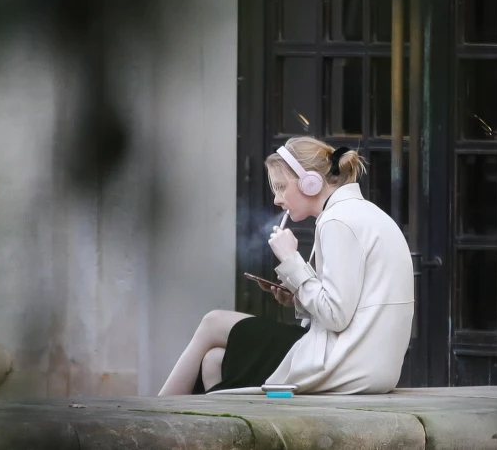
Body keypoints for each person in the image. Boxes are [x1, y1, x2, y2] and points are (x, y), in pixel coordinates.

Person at [158, 137, 414, 396]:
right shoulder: (359, 213)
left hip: (345, 364)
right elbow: (348, 304)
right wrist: (297, 295)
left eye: (281, 187)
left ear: (310, 182)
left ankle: (159, 409)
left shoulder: (337, 221)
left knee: (213, 322)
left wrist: (291, 260)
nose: (276, 200)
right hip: (367, 365)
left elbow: (335, 316)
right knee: (213, 359)